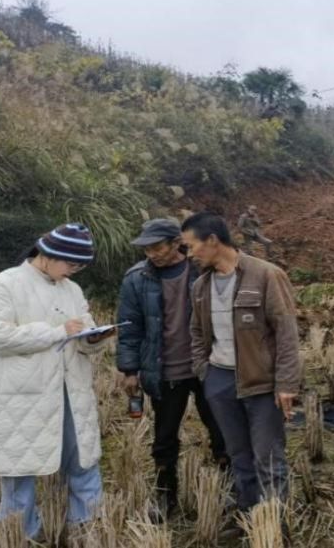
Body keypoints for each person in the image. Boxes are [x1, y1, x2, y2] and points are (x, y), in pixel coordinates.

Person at [0, 223, 115, 541]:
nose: (73, 272)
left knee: (82, 458)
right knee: (19, 466)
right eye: (70, 264)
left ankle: (88, 527)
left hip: (69, 389)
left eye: (79, 267)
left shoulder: (72, 290)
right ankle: (21, 535)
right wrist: (57, 332)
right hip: (19, 395)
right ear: (47, 255)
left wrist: (93, 339)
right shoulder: (3, 285)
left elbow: (81, 330)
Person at [182, 212, 300, 536]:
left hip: (261, 383)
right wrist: (204, 372)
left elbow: (287, 333)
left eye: (191, 246)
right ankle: (248, 518)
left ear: (212, 240)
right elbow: (196, 332)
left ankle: (274, 528)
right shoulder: (200, 286)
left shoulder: (266, 275)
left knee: (269, 458)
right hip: (219, 381)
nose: (189, 254)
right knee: (238, 455)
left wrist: (286, 383)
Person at [116, 218, 228, 521]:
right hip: (164, 371)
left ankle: (230, 489)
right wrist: (129, 369)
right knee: (164, 438)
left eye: (157, 247)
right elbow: (129, 327)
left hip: (207, 367)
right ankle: (166, 496)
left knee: (222, 430)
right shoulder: (136, 279)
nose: (152, 254)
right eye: (147, 249)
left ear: (176, 243)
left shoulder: (202, 269)